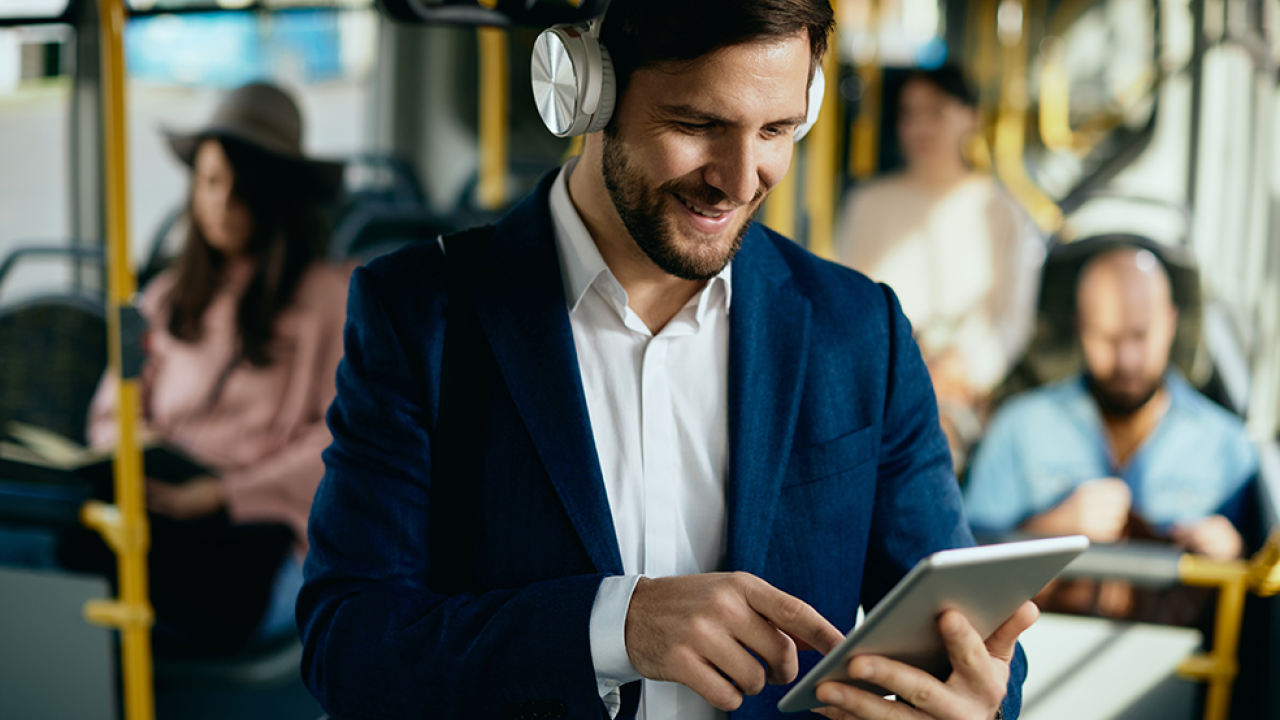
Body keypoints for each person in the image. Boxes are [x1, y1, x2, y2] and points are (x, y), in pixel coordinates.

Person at [298, 2, 1034, 719]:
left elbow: (963, 631)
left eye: (776, 129)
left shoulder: (857, 330)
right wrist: (612, 626)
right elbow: (351, 646)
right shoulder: (418, 315)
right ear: (587, 92)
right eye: (697, 125)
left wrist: (974, 697)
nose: (741, 180)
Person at [61, 82, 351, 654]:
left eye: (240, 190)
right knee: (59, 547)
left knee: (78, 570)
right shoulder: (165, 297)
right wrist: (133, 452)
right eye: (210, 182)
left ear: (275, 198)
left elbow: (337, 440)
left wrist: (222, 492)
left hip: (253, 530)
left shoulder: (330, 297)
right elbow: (111, 406)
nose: (221, 203)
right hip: (153, 508)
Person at [963, 247, 1257, 616]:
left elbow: (1252, 598)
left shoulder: (1229, 446)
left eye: (1140, 335)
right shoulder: (1018, 427)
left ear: (1170, 322)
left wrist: (1231, 555)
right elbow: (967, 559)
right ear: (1079, 327)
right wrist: (1052, 526)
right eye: (1106, 337)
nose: (1126, 359)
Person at [836, 66, 1041, 469]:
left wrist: (964, 366)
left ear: (971, 117)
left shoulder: (1003, 211)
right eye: (909, 114)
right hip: (881, 381)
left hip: (963, 394)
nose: (919, 126)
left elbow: (1012, 322)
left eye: (935, 112)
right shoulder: (868, 204)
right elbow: (847, 303)